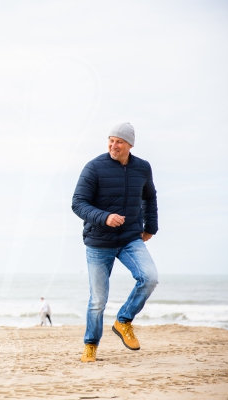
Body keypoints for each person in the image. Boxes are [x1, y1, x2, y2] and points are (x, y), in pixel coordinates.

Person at [71, 122, 159, 363]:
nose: (113, 145)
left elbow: (149, 197)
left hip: (130, 238)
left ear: (130, 144)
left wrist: (150, 227)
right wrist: (105, 217)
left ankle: (123, 321)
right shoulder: (94, 167)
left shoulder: (142, 168)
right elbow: (78, 203)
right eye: (110, 140)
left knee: (150, 278)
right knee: (98, 300)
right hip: (99, 242)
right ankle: (90, 345)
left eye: (119, 141)